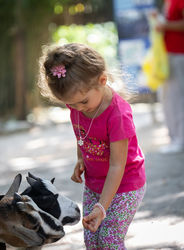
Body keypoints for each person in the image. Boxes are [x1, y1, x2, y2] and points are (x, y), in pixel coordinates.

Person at [38, 43, 146, 249]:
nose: (78, 108)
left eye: (83, 102)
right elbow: (81, 134)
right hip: (94, 184)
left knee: (108, 240)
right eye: (71, 104)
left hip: (125, 185)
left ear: (102, 80)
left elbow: (117, 166)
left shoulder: (118, 116)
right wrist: (80, 158)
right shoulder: (78, 105)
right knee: (92, 240)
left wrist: (101, 208)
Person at [155, 0, 184, 154]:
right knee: (168, 98)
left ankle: (179, 140)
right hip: (167, 56)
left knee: (176, 99)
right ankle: (175, 138)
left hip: (178, 54)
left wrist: (165, 25)